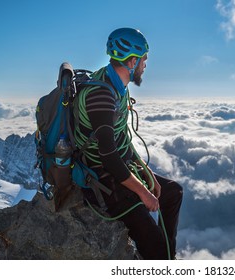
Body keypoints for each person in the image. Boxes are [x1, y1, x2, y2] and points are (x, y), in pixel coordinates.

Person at [73, 27, 183, 260]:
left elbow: (123, 139)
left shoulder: (116, 86)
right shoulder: (101, 96)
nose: (145, 65)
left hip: (118, 169)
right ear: (132, 61)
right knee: (155, 247)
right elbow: (109, 157)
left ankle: (168, 257)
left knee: (173, 192)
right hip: (102, 179)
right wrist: (143, 193)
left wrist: (147, 172)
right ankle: (161, 257)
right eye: (144, 59)